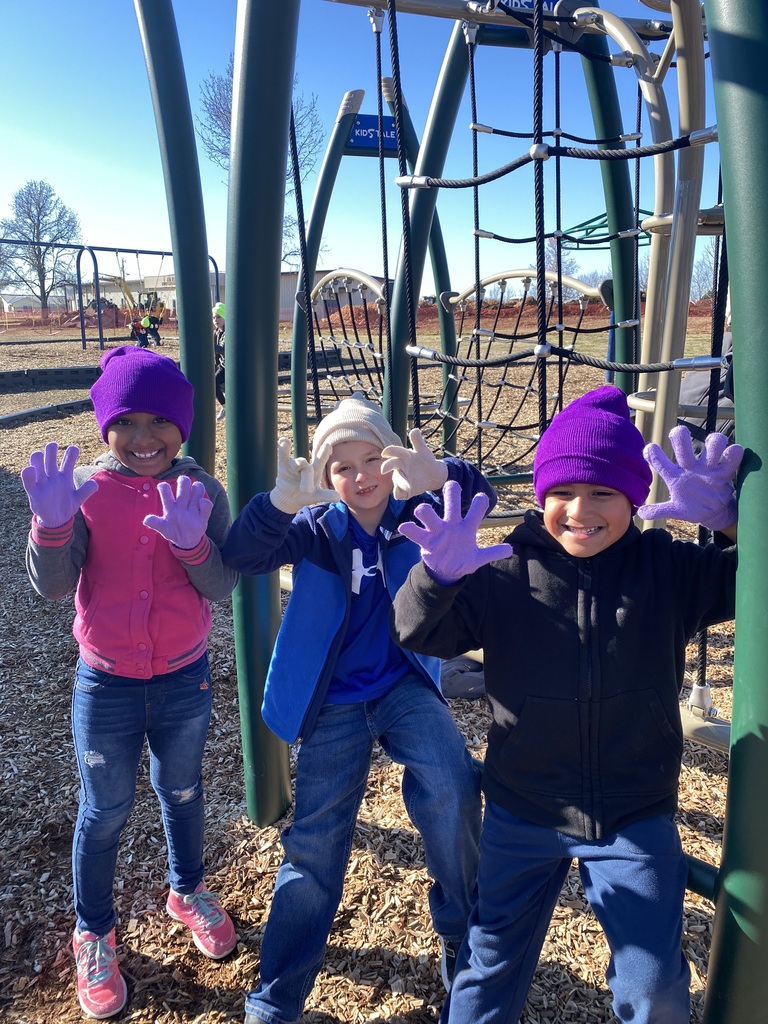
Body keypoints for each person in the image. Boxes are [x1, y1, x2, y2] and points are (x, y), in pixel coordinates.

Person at [391, 385, 742, 1024]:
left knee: (657, 985)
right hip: (523, 806)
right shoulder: (502, 572)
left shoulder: (668, 568)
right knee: (489, 961)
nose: (580, 510)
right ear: (540, 495)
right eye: (562, 493)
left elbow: (749, 578)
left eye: (603, 493)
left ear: (633, 499)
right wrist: (434, 579)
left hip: (632, 811)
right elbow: (416, 632)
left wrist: (731, 524)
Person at [221, 395, 504, 1024]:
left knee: (455, 780)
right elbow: (243, 556)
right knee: (316, 842)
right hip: (336, 701)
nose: (362, 475)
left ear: (393, 460)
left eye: (373, 457)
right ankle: (275, 1001)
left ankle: (461, 939)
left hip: (402, 686)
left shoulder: (414, 513)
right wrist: (278, 505)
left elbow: (476, 495)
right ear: (327, 479)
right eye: (342, 467)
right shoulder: (318, 531)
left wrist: (443, 476)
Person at [21, 346, 239, 1020]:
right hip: (106, 684)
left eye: (161, 422)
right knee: (105, 809)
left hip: (182, 680)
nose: (144, 438)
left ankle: (187, 890)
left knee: (181, 790)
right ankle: (95, 930)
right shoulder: (86, 490)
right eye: (126, 422)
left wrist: (195, 544)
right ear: (104, 426)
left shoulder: (204, 489)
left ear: (186, 425)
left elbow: (224, 585)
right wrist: (52, 527)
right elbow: (54, 589)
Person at [212, 301, 226, 421]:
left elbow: (225, 350)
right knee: (213, 384)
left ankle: (227, 407)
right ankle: (225, 406)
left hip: (230, 365)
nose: (216, 319)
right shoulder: (217, 332)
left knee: (214, 383)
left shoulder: (228, 332)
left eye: (219, 317)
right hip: (223, 365)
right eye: (214, 317)